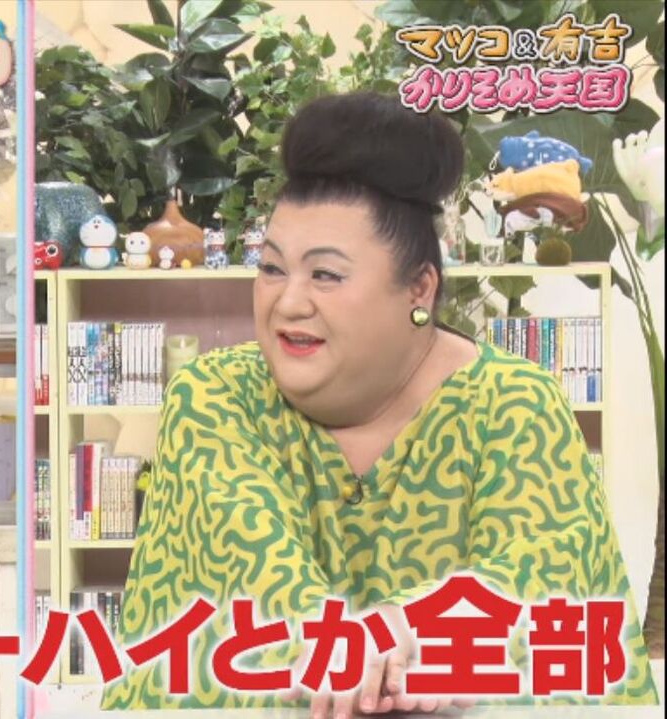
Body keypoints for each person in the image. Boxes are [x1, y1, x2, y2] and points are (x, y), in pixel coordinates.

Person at [102, 92, 657, 715]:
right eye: (272, 268)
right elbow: (252, 565)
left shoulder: (514, 403)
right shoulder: (215, 394)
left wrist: (421, 630)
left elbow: (538, 571)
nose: (288, 303)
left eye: (326, 275)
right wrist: (355, 648)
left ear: (419, 287)